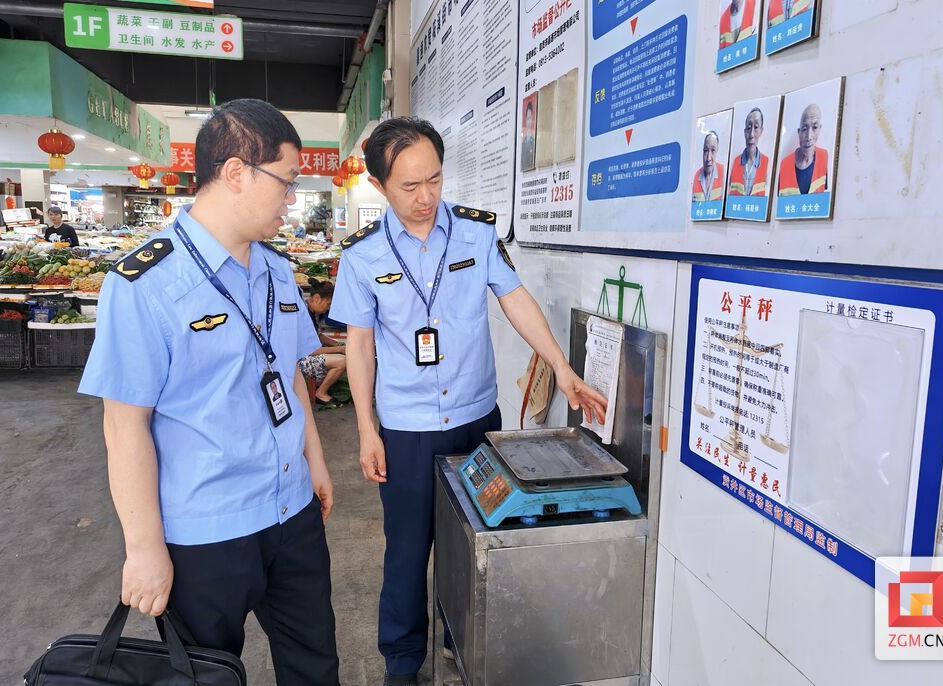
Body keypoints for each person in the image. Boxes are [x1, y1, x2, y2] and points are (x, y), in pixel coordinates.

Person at [329, 117, 607, 686]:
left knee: (476, 540)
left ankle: (462, 635)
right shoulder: (361, 257)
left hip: (478, 418)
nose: (427, 196)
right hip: (406, 428)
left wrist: (561, 365)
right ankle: (403, 663)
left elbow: (515, 299)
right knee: (407, 552)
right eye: (410, 186)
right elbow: (358, 346)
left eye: (434, 179)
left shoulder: (476, 234)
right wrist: (366, 428)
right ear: (380, 185)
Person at [78, 99, 339, 685]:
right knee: (206, 675)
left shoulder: (276, 270)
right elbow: (124, 427)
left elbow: (291, 376)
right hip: (205, 533)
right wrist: (144, 548)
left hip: (291, 511)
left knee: (316, 663)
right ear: (237, 172)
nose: (291, 199)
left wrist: (315, 462)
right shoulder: (144, 284)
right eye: (287, 181)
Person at [299, 277, 347, 405]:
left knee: (342, 354)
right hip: (300, 361)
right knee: (342, 361)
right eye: (328, 304)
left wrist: (339, 344)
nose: (328, 308)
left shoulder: (312, 311)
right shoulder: (303, 315)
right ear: (316, 298)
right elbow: (312, 350)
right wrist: (340, 349)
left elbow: (319, 336)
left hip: (308, 355)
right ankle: (320, 393)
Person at [778, 104, 829, 196]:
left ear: (820, 129)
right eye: (804, 129)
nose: (809, 136)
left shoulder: (824, 157)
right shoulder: (784, 165)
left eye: (814, 128)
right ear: (799, 132)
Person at [728, 108, 770, 197]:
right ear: (744, 132)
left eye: (756, 127)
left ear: (761, 131)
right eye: (748, 128)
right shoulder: (734, 162)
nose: (751, 135)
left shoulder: (767, 163)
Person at [692, 132, 724, 202]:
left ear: (717, 150)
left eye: (713, 150)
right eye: (706, 151)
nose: (708, 158)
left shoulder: (723, 173)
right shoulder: (695, 178)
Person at [521, 98, 537, 172]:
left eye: (530, 118)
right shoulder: (522, 142)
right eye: (527, 118)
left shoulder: (534, 140)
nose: (528, 121)